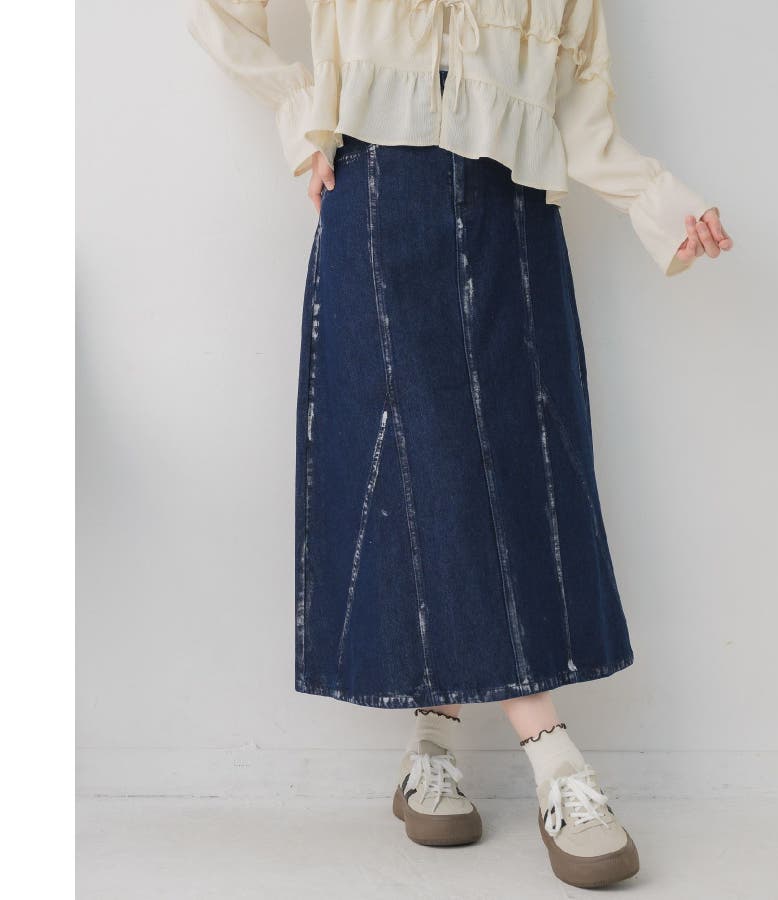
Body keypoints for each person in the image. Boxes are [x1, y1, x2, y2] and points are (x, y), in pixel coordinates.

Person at [188, 0, 732, 889]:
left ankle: (433, 742)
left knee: (516, 471)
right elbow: (219, 15)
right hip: (379, 200)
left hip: (512, 212)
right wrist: (305, 114)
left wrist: (661, 200)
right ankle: (553, 756)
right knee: (428, 466)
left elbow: (577, 110)